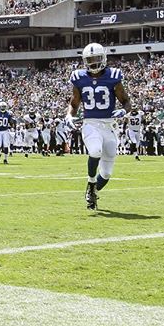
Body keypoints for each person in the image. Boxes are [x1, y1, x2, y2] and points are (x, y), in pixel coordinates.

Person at [68, 43, 131, 211]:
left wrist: (123, 111)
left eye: (96, 58)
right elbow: (74, 103)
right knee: (95, 150)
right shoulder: (79, 77)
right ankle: (90, 183)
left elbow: (126, 101)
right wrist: (69, 115)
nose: (93, 63)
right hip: (90, 124)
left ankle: (93, 192)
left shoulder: (113, 76)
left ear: (103, 58)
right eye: (90, 60)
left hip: (109, 126)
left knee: (107, 173)